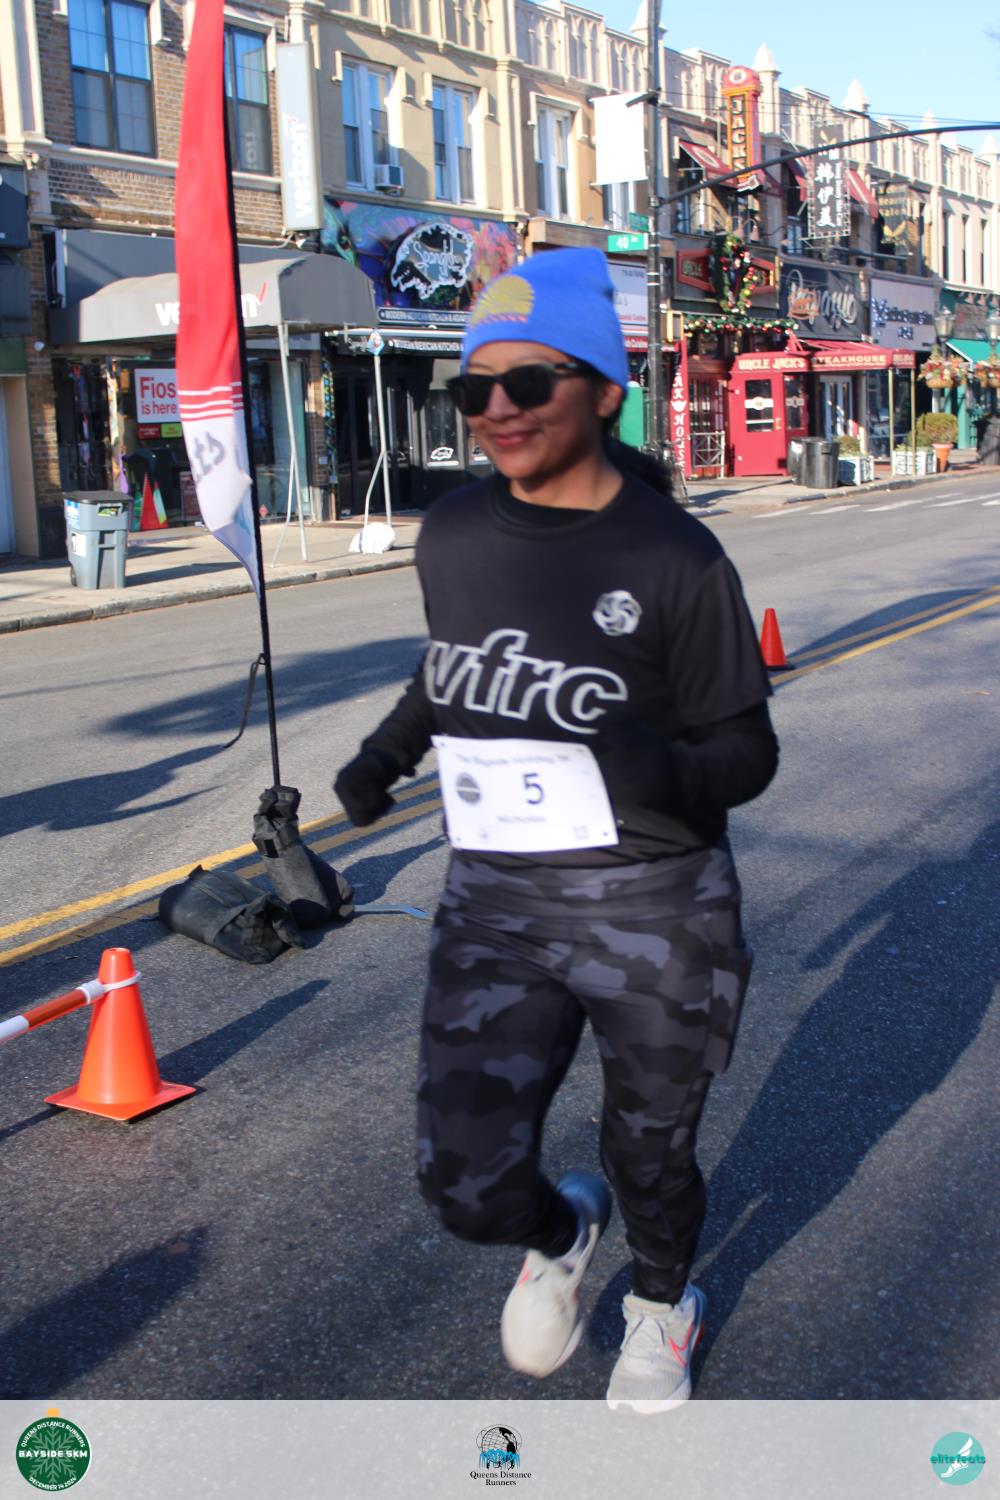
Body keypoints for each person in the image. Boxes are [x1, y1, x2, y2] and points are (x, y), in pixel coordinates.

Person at [334, 247, 778, 1413]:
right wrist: (385, 755)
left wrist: (657, 766)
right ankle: (559, 1231)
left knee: (649, 1153)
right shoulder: (452, 534)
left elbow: (748, 753)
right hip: (495, 900)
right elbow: (452, 667)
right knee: (464, 1182)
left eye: (527, 383)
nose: (496, 410)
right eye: (472, 389)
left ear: (603, 391)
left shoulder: (673, 558)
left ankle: (660, 1304)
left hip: (654, 905)